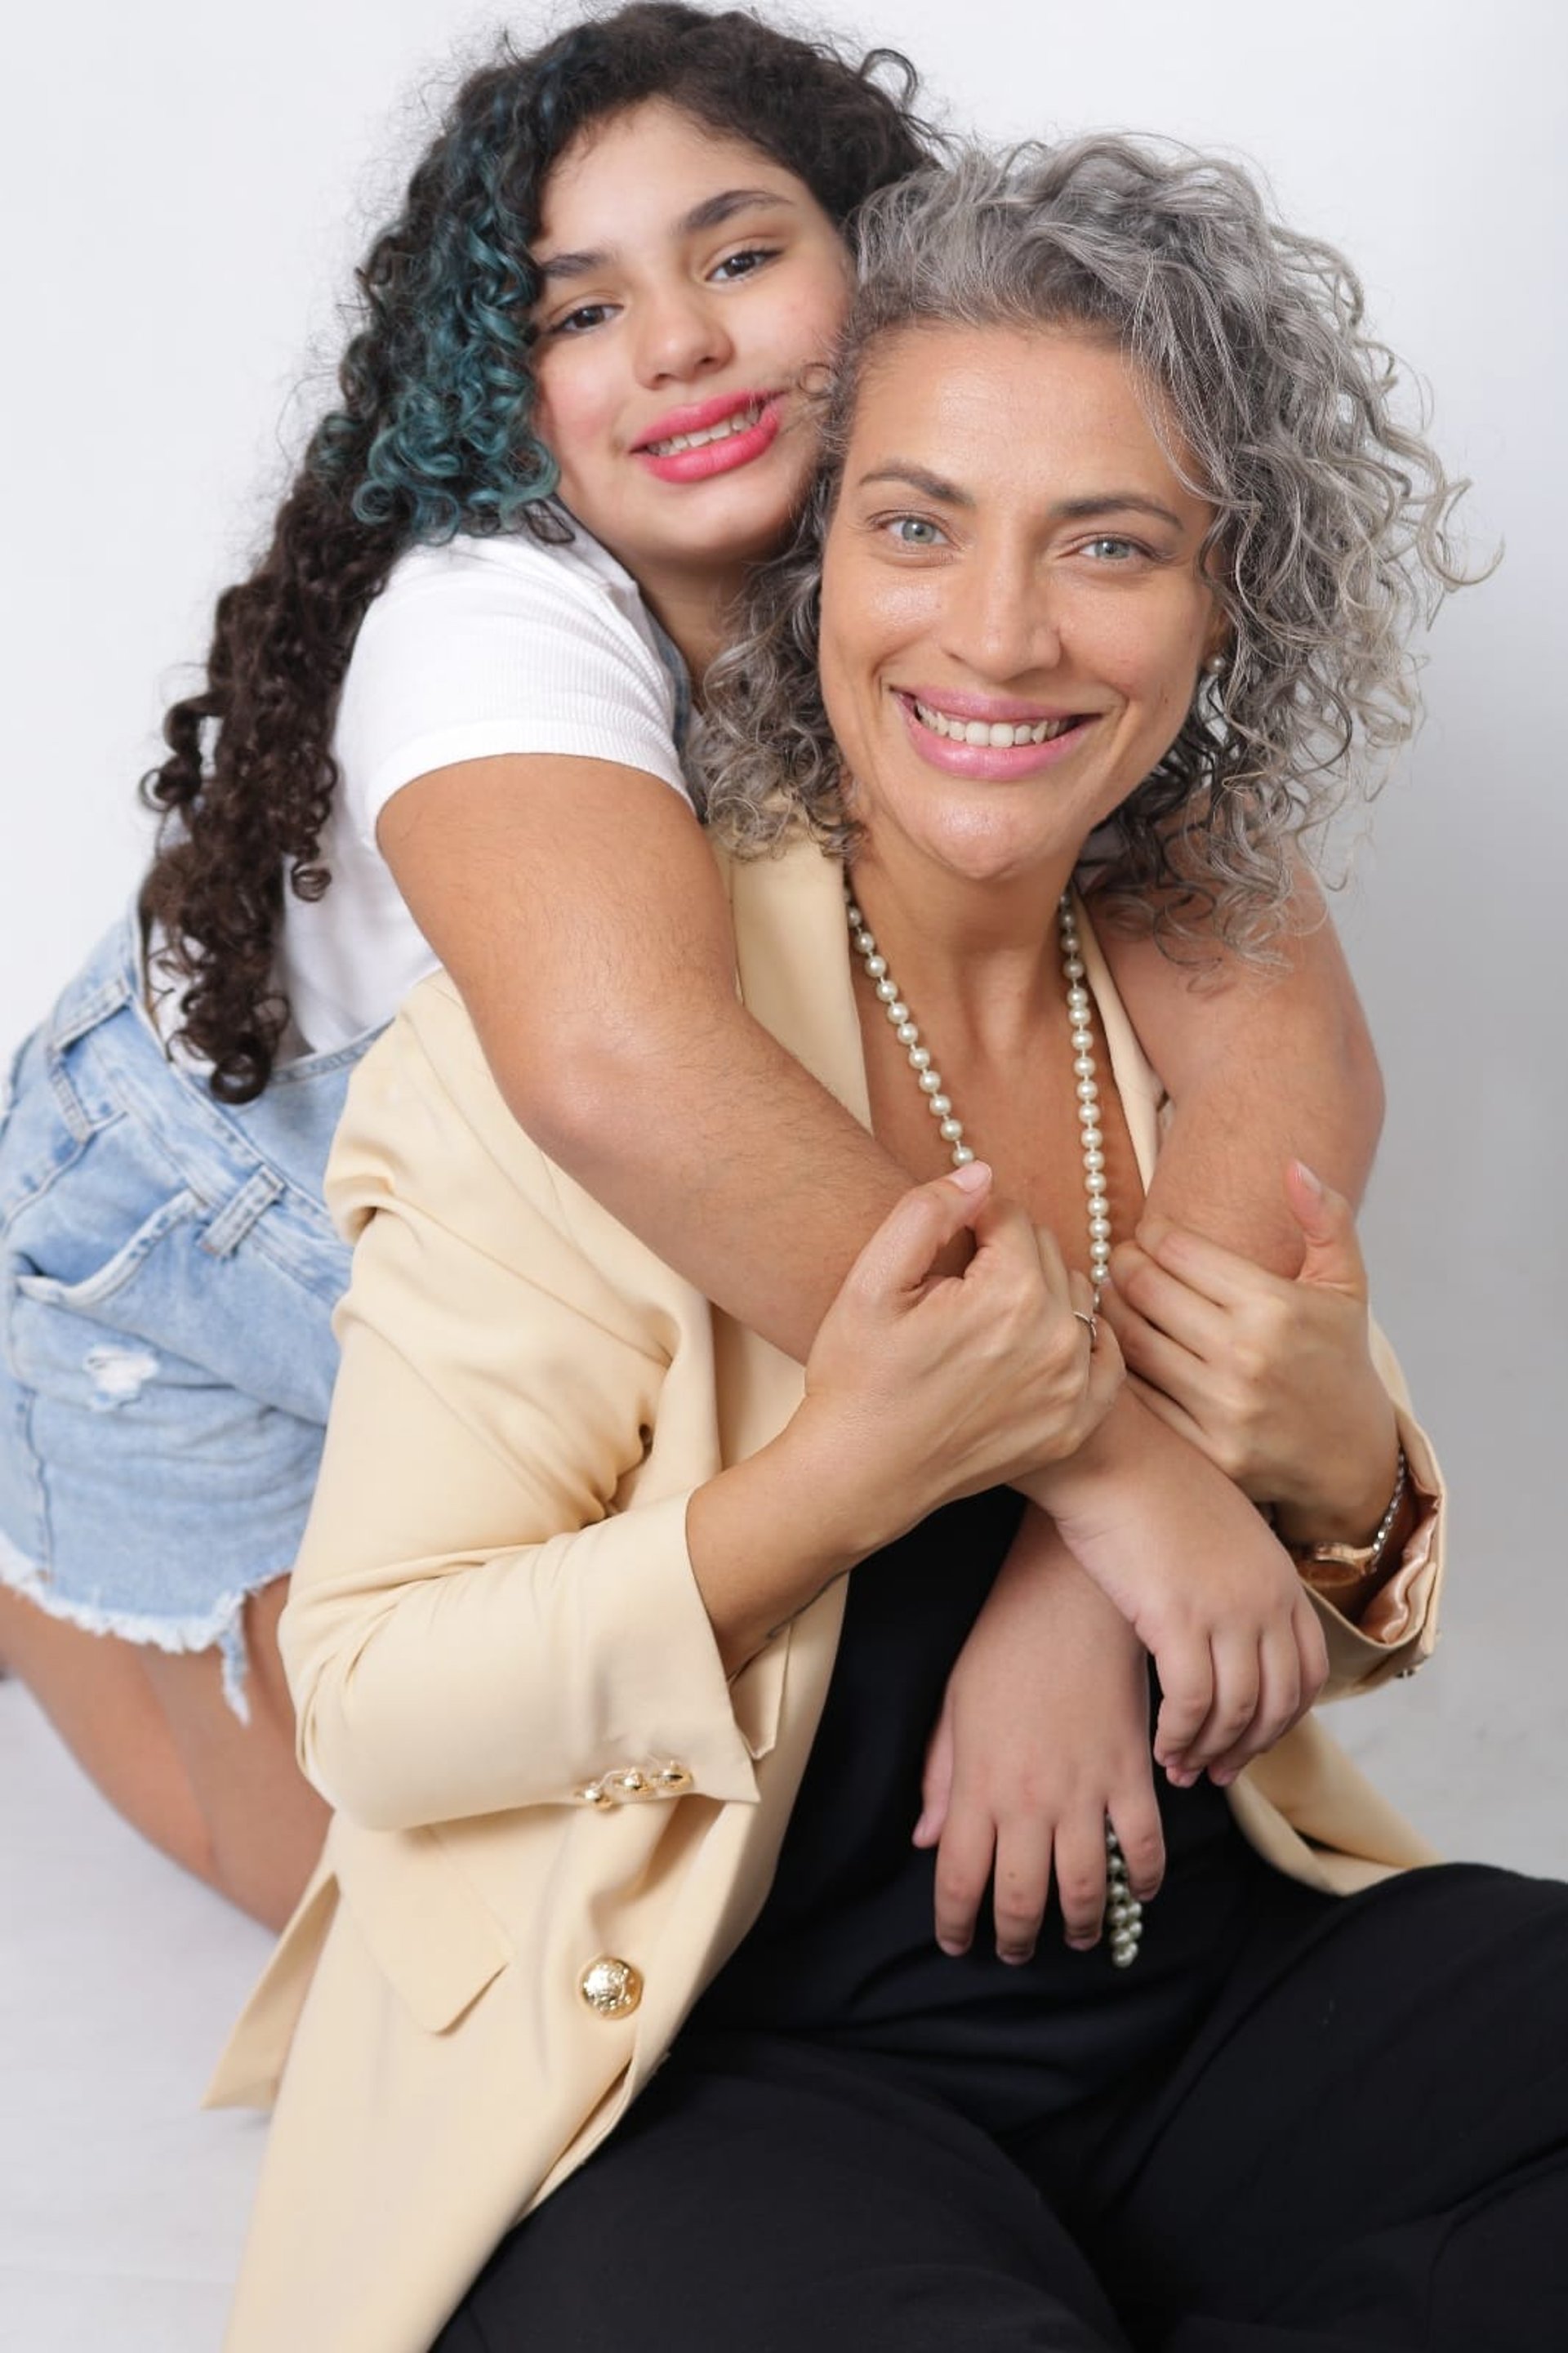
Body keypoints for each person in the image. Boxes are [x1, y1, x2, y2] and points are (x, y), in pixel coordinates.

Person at [210, 140, 1566, 2353]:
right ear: (814, 558)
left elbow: (1324, 1630)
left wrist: (1328, 1469)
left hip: (1209, 1997)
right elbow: (370, 1705)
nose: (1001, 631)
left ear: (1231, 605)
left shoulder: (1202, 1021)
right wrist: (826, 1496)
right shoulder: (575, 1050)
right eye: (918, 525)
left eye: (1109, 546)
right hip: (712, 2073)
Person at [0, 7, 1379, 1927]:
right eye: (577, 312)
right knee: (359, 1941)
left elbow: (1283, 1052)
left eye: (741, 256)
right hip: (197, 1231)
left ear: (877, 258)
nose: (677, 345)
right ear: (503, 383)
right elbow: (618, 1071)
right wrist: (1119, 1477)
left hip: (548, 1257)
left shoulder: (973, 526)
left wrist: (1075, 1590)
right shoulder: (494, 619)